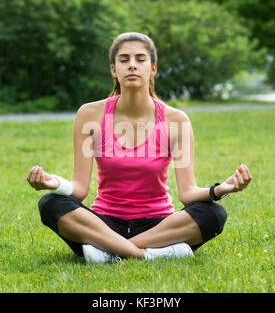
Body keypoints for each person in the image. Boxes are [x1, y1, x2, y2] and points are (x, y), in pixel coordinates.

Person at [27, 32, 252, 264]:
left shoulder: (176, 120)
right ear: (114, 69)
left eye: (140, 59)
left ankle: (108, 252)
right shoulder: (89, 115)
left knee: (214, 214)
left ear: (153, 68)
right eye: (124, 60)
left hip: (158, 225)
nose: (132, 65)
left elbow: (187, 194)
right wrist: (56, 184)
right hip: (104, 223)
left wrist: (220, 189)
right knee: (51, 203)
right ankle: (147, 255)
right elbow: (80, 189)